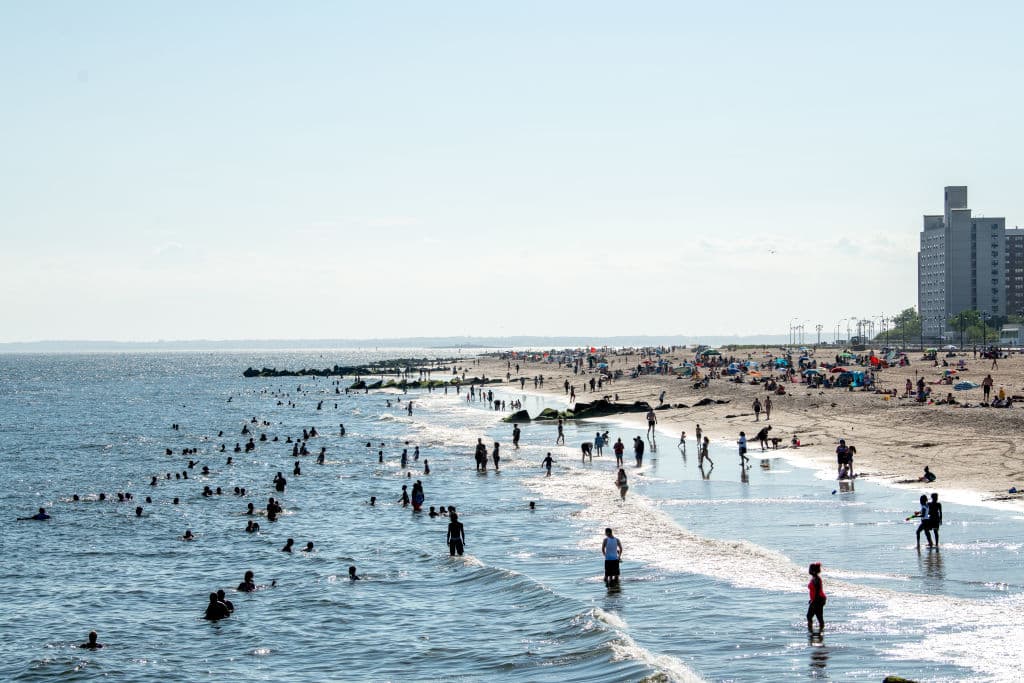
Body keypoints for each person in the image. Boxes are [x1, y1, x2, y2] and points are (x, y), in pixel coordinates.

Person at [806, 562, 826, 632]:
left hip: (818, 599)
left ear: (813, 571)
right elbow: (814, 591)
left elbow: (817, 592)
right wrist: (811, 600)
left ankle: (813, 632)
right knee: (817, 616)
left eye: (810, 569)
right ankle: (819, 632)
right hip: (817, 599)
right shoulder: (814, 578)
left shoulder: (816, 579)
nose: (809, 571)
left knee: (810, 616)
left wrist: (813, 601)